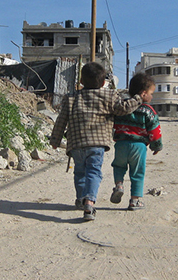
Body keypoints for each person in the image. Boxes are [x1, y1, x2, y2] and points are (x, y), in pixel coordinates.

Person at [49, 62, 143, 221]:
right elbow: (123, 108)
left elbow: (61, 120)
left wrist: (55, 140)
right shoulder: (109, 96)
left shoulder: (71, 98)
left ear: (81, 81)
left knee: (79, 172)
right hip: (97, 145)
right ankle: (89, 203)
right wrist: (138, 98)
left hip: (76, 144)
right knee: (93, 172)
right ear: (102, 82)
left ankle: (80, 199)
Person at [110, 73, 162, 211]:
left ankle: (119, 185)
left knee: (118, 166)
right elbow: (155, 130)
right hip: (139, 147)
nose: (152, 96)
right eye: (151, 93)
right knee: (137, 173)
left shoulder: (122, 108)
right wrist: (156, 146)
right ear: (144, 94)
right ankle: (135, 201)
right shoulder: (148, 111)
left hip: (121, 144)